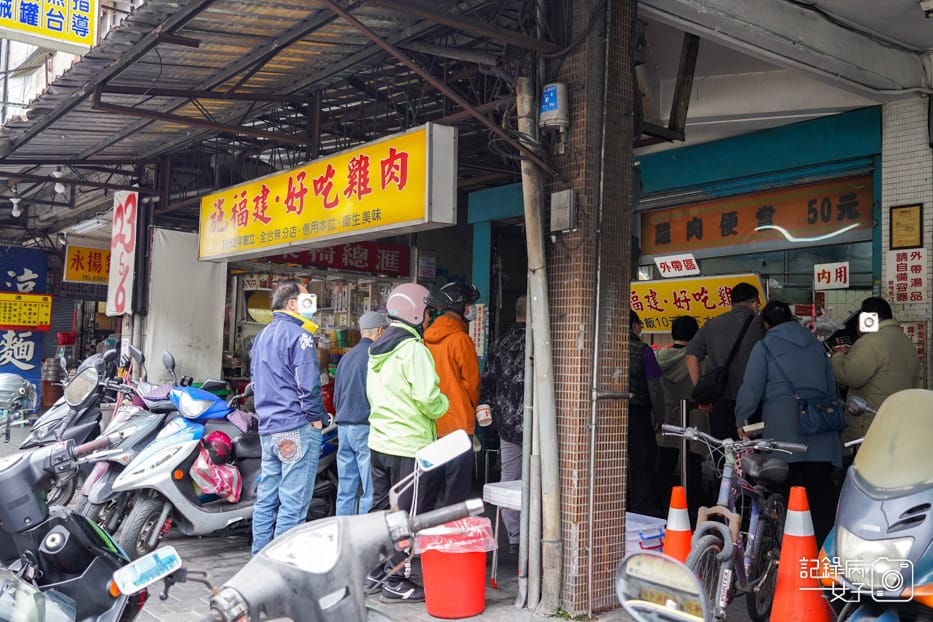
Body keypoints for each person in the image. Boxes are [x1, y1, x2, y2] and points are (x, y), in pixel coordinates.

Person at [366, 283, 449, 602]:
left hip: (379, 444)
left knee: (381, 511)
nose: (429, 318)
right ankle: (397, 580)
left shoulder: (378, 348)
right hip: (408, 446)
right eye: (428, 312)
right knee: (406, 515)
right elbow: (428, 397)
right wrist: (444, 405)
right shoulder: (414, 350)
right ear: (415, 312)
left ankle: (375, 571)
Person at [734, 300, 842, 544]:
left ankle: (790, 553)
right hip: (820, 431)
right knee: (821, 496)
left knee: (785, 496)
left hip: (783, 435)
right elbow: (830, 387)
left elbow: (751, 389)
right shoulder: (816, 346)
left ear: (766, 324)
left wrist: (742, 418)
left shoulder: (764, 347)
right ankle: (825, 556)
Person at [249, 279, 327, 555]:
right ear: (292, 303)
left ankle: (259, 556)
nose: (312, 304)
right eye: (308, 299)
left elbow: (255, 381)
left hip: (269, 427)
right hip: (296, 425)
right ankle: (281, 564)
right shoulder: (300, 335)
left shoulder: (262, 336)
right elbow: (308, 383)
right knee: (293, 502)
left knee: (267, 497)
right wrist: (316, 417)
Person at [831, 296, 922, 446]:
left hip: (872, 423)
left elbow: (849, 377)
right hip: (898, 420)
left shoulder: (871, 341)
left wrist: (838, 356)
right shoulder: (906, 342)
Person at [423, 281, 482, 507]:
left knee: (429, 486)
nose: (472, 309)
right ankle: (451, 535)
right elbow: (472, 383)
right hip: (458, 423)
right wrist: (469, 405)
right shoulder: (461, 340)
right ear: (460, 307)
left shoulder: (426, 338)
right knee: (456, 492)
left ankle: (424, 532)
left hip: (432, 423)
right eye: (469, 304)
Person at [685, 282, 766, 441]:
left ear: (731, 303)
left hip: (720, 401)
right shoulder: (761, 326)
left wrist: (701, 393)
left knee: (724, 453)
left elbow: (691, 357)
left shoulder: (712, 324)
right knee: (754, 457)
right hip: (755, 402)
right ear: (755, 302)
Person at [479, 295, 527, 554]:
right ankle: (537, 534)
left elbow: (486, 386)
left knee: (509, 480)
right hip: (539, 428)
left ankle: (515, 538)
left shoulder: (499, 344)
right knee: (541, 481)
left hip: (507, 427)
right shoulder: (541, 342)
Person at [333, 311, 388, 516]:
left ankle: (343, 531)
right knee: (369, 489)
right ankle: (364, 534)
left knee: (345, 488)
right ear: (381, 331)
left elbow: (337, 394)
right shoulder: (375, 357)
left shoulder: (346, 358)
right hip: (364, 427)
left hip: (343, 428)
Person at [654, 315, 705, 521]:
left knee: (664, 465)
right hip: (693, 416)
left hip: (666, 416)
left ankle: (662, 506)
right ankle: (694, 510)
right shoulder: (699, 359)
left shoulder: (658, 357)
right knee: (692, 466)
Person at [628, 310, 666, 517]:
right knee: (642, 463)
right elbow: (655, 388)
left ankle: (617, 504)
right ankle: (641, 509)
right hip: (637, 414)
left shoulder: (603, 347)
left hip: (607, 415)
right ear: (634, 326)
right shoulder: (643, 350)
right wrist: (659, 417)